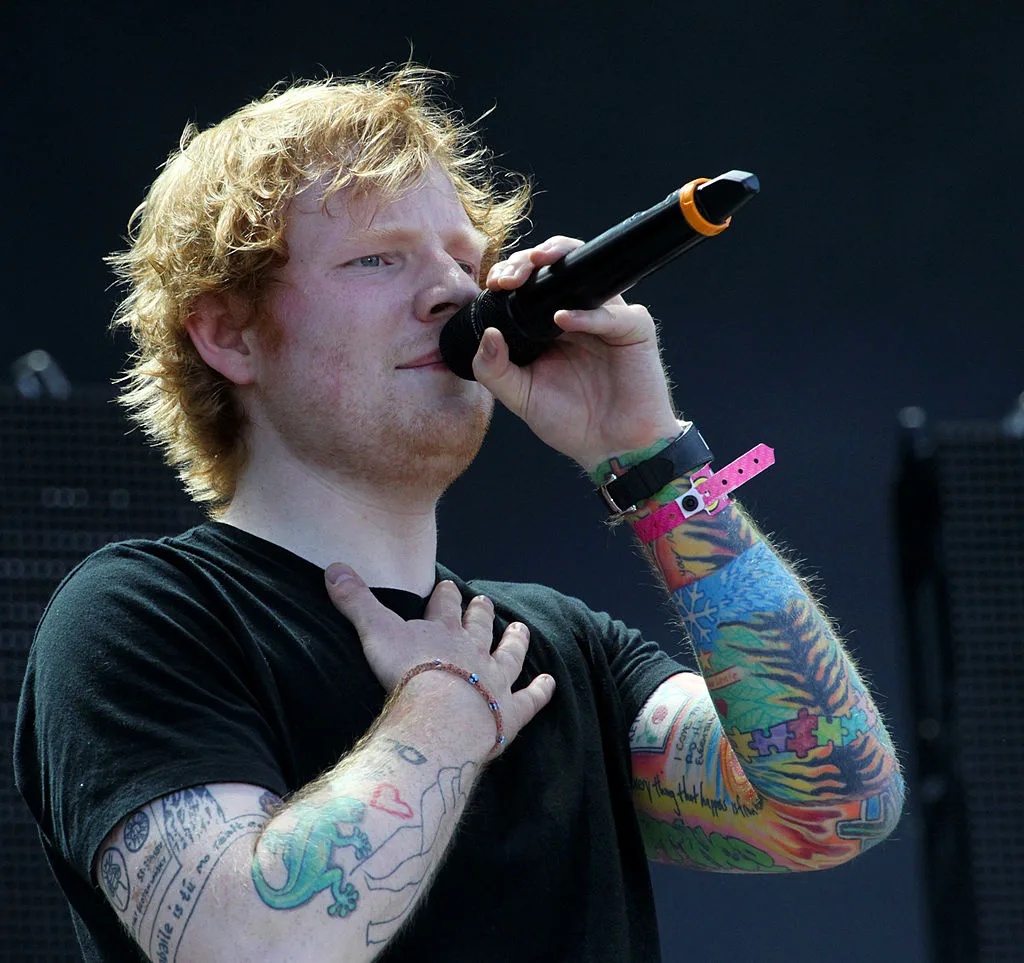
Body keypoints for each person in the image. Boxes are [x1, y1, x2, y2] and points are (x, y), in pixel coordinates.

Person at [14, 67, 903, 962]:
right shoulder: (141, 616)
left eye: (465, 259)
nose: (453, 292)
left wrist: (653, 461)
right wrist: (444, 707)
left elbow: (837, 804)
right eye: (377, 257)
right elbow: (253, 949)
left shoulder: (559, 647)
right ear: (230, 334)